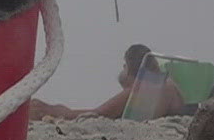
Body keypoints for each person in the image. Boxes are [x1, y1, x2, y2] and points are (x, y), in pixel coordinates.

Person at [29, 44, 188, 121]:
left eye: (124, 65)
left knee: (39, 107)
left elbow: (97, 114)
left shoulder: (146, 90)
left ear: (132, 67)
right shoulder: (168, 85)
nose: (122, 70)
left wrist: (51, 110)